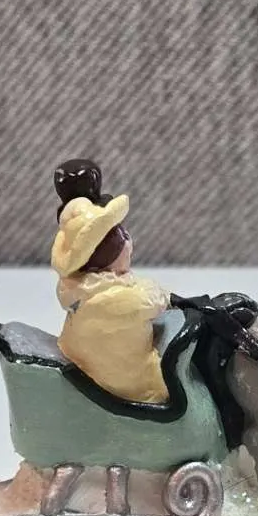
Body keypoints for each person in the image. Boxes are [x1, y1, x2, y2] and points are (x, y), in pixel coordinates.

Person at [49, 159, 171, 404]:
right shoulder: (120, 299)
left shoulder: (81, 292)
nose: (129, 244)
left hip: (93, 363)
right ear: (108, 253)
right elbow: (158, 299)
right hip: (133, 383)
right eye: (123, 238)